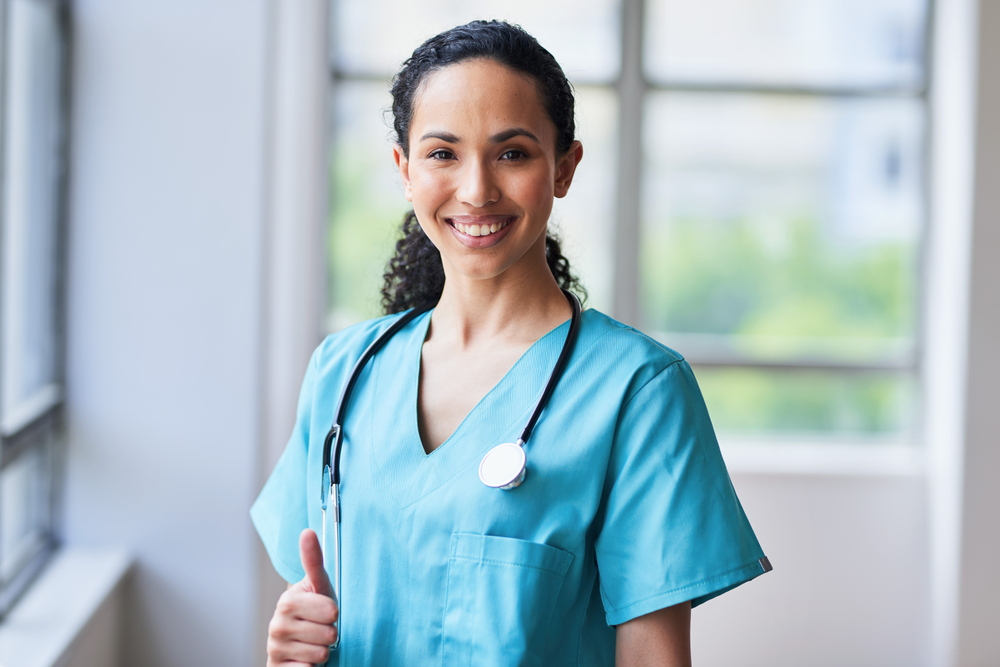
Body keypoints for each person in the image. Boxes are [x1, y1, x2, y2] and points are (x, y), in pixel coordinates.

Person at [251, 20, 770, 667]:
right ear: (404, 171)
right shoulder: (343, 370)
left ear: (564, 167)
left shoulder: (637, 392)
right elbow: (320, 612)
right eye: (443, 154)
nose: (477, 190)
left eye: (512, 153)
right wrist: (289, 648)